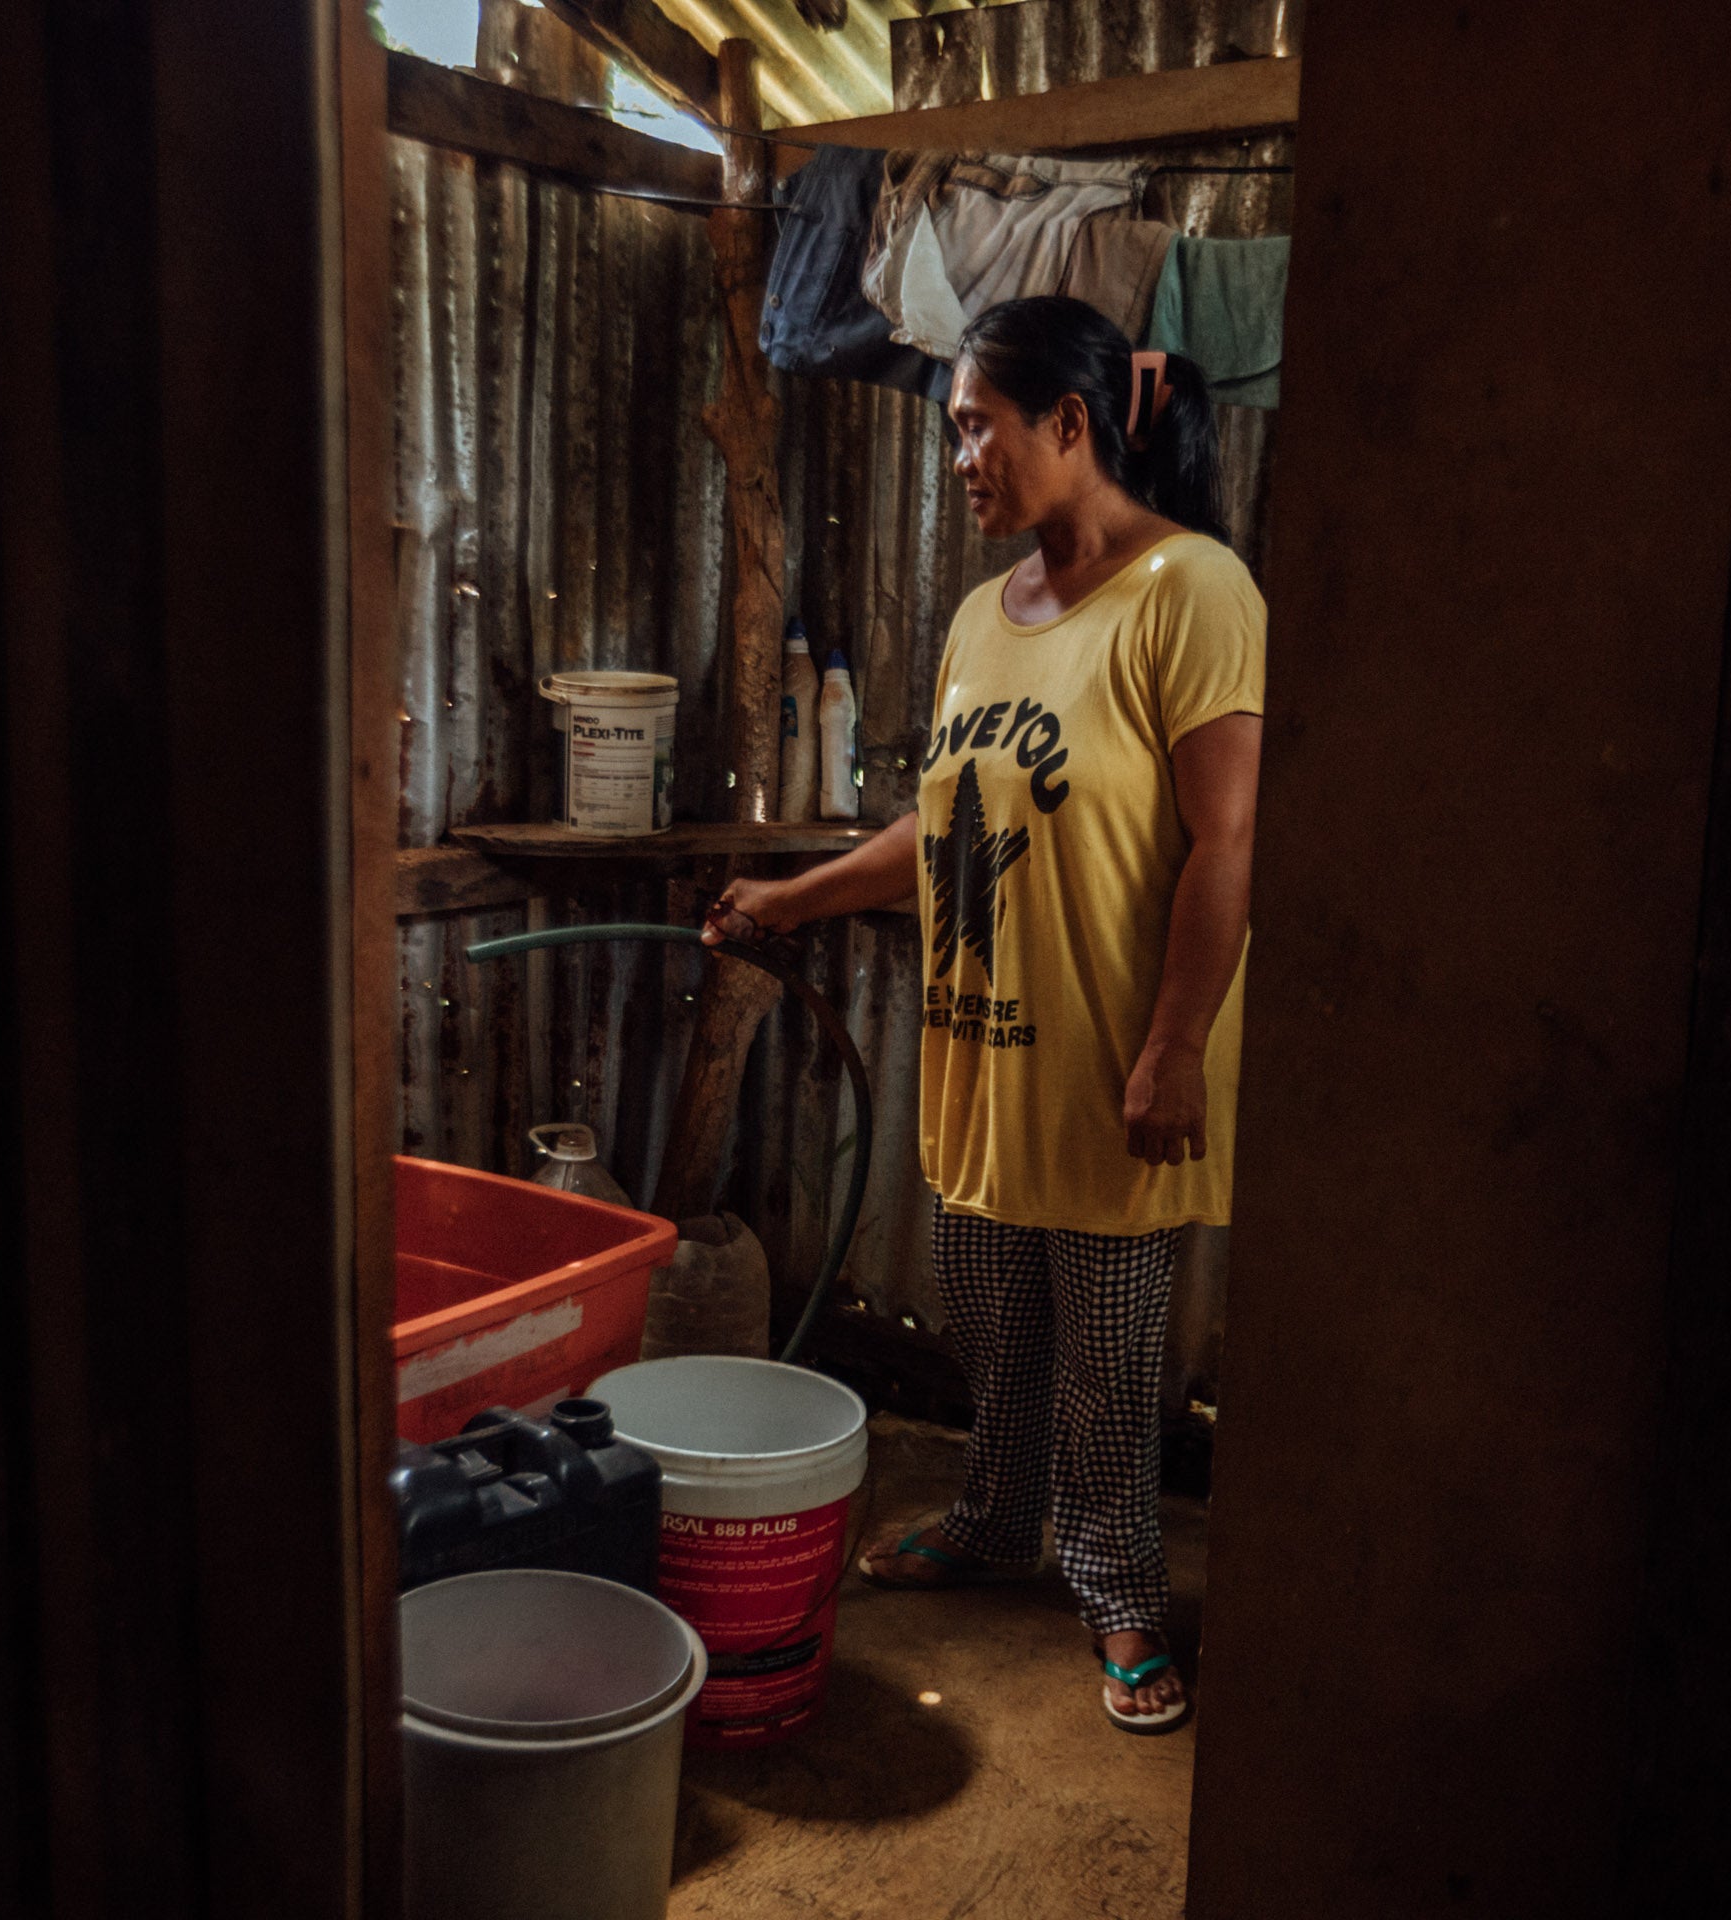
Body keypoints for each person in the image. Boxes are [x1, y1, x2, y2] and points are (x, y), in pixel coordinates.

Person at [704, 295, 1264, 1734]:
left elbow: (1229, 840)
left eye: (977, 426)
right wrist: (793, 902)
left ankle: (1124, 1590)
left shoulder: (1195, 592)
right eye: (954, 431)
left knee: (1107, 1359)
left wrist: (1173, 1048)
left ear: (1068, 425)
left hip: (1113, 1064)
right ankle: (996, 1519)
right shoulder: (979, 616)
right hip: (982, 1050)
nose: (961, 456)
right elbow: (940, 825)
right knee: (995, 1328)